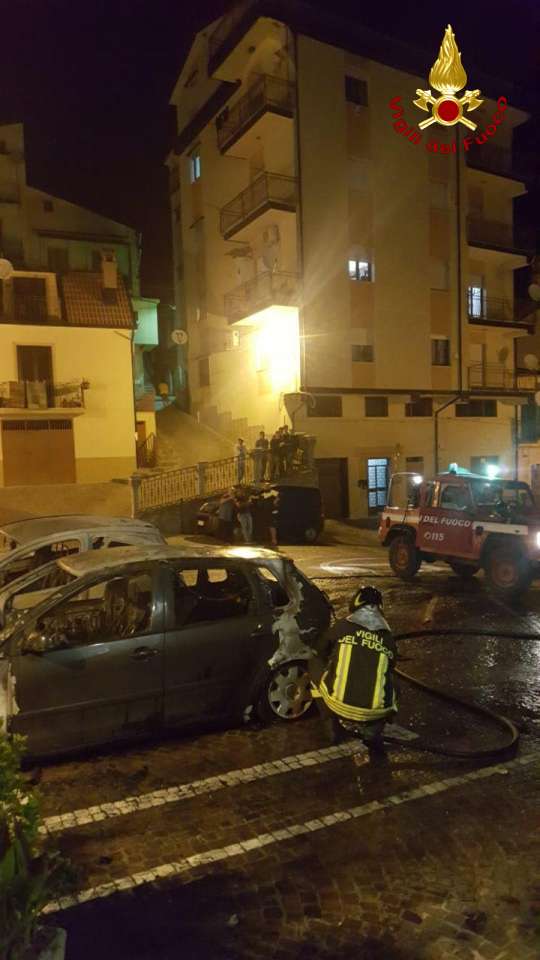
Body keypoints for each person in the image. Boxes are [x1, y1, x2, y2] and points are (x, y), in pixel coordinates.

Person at [309, 585, 397, 757]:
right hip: (375, 712)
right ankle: (372, 732)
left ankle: (330, 724)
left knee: (313, 662)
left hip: (337, 704)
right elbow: (390, 667)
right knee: (392, 683)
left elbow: (319, 650)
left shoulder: (342, 626)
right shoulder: (388, 638)